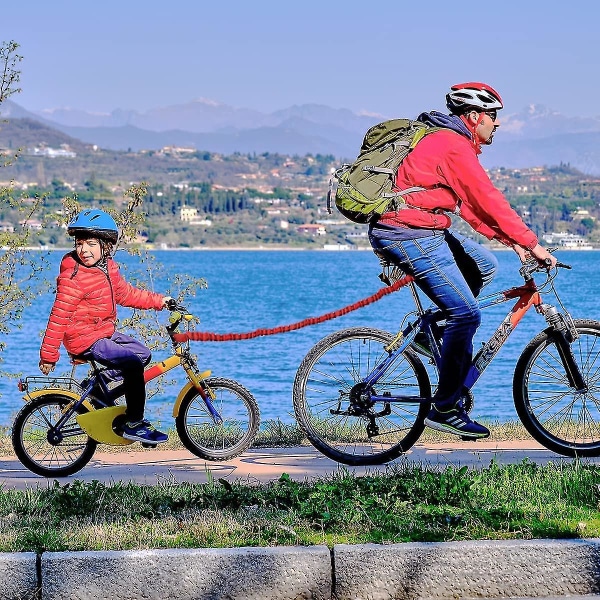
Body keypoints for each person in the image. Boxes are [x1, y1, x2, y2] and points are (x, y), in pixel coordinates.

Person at [368, 82, 556, 439]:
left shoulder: (448, 143)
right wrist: (533, 243)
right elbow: (488, 198)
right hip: (407, 233)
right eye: (494, 117)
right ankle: (445, 406)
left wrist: (513, 242)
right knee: (467, 314)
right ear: (474, 116)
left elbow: (468, 207)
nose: (497, 124)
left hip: (422, 228)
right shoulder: (453, 146)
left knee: (484, 265)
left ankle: (430, 332)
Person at [39, 209, 172, 445]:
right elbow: (58, 317)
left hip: (101, 332)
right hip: (84, 338)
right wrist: (49, 356)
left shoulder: (108, 268)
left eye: (91, 244)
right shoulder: (74, 277)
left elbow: (127, 294)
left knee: (143, 355)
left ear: (106, 246)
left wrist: (159, 301)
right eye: (80, 243)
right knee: (131, 364)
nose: (84, 250)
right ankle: (133, 424)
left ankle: (96, 388)